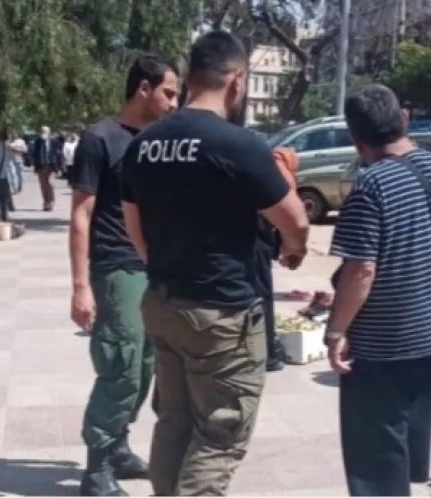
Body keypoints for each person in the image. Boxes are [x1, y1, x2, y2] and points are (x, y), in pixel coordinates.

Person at [119, 31, 310, 496]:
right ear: (237, 81)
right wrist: (293, 248)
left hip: (164, 303)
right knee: (218, 435)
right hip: (222, 314)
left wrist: (164, 267)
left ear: (189, 78)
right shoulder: (237, 144)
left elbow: (134, 227)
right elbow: (296, 220)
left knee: (174, 423)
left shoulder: (143, 145)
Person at [327, 84, 431, 496]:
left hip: (381, 343)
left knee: (376, 456)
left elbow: (361, 271)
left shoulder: (370, 187)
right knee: (406, 434)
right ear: (404, 119)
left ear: (358, 140)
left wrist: (336, 332)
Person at [68, 54, 180, 497]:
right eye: (168, 92)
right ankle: (96, 469)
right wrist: (81, 287)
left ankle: (117, 446)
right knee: (121, 367)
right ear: (143, 89)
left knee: (147, 365)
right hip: (116, 267)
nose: (173, 102)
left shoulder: (157, 141)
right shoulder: (100, 139)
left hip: (153, 268)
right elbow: (81, 215)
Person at [258, 147, 300, 372]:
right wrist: (291, 248)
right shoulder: (282, 174)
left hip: (255, 236)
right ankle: (268, 352)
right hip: (259, 237)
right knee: (262, 293)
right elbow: (290, 216)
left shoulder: (268, 169)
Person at [33, 125, 60, 211]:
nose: (43, 133)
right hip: (41, 166)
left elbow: (58, 155)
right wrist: (35, 166)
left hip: (51, 165)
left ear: (49, 133)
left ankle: (51, 201)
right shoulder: (38, 142)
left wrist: (59, 168)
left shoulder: (54, 141)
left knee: (50, 182)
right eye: (42, 132)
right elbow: (35, 154)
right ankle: (46, 202)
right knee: (43, 185)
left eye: (45, 132)